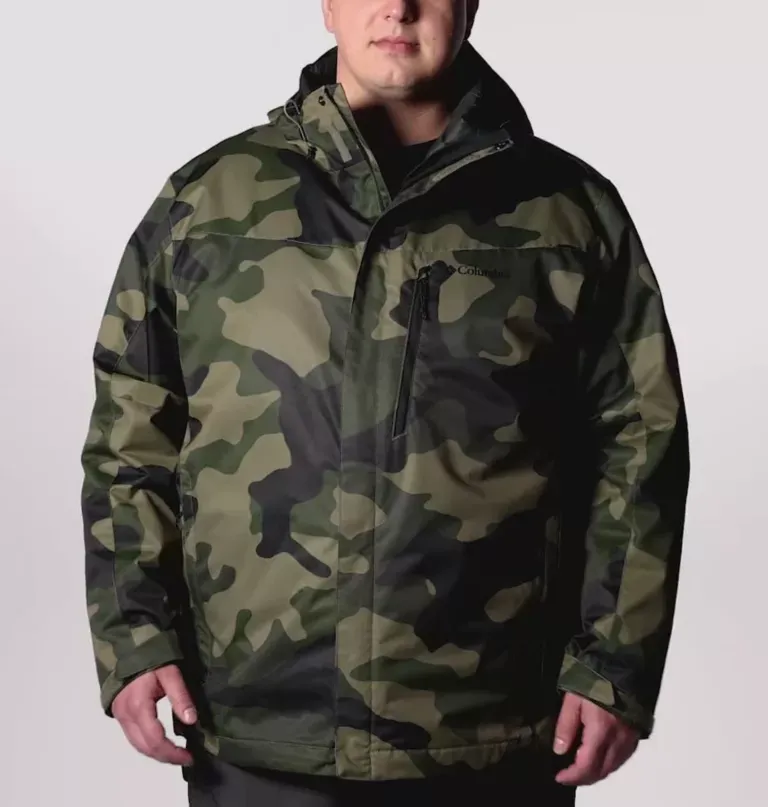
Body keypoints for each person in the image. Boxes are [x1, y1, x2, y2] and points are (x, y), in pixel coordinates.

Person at [79, 1, 690, 804]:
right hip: (257, 722)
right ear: (327, 4)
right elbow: (132, 437)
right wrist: (134, 634)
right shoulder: (207, 204)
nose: (397, 5)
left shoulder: (568, 212)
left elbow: (639, 442)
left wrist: (615, 663)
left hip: (491, 728)